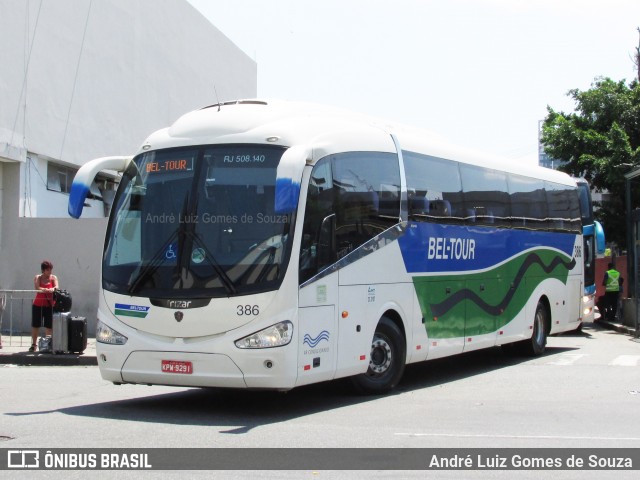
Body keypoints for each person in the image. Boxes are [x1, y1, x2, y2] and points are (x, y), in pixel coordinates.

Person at [30, 260, 59, 352]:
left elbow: (57, 287)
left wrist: (52, 289)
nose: (49, 272)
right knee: (36, 325)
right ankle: (33, 344)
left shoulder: (53, 278)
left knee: (49, 326)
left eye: (50, 270)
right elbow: (37, 288)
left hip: (49, 305)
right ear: (43, 270)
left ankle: (48, 345)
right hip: (38, 305)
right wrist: (45, 289)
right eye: (47, 270)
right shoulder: (38, 277)